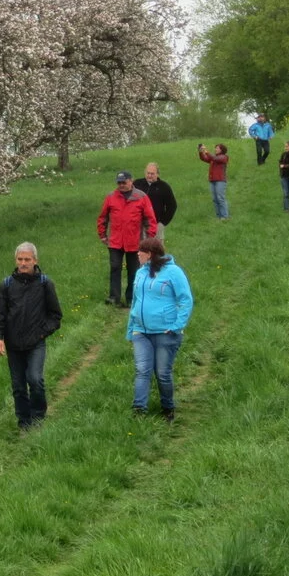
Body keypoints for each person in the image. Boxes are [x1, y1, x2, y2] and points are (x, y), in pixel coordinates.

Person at [0, 241, 62, 430]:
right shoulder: (6, 285)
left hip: (36, 343)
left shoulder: (45, 284)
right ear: (15, 260)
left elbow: (55, 316)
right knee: (18, 386)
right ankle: (24, 422)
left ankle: (38, 418)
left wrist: (41, 333)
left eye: (27, 259)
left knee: (35, 379)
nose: (23, 263)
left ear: (35, 260)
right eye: (20, 259)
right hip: (13, 344)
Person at [127, 235, 193, 421]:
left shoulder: (174, 272)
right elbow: (135, 302)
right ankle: (139, 409)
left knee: (163, 373)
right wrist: (131, 329)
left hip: (166, 332)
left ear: (150, 254)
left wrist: (177, 326)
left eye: (141, 251)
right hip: (141, 331)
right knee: (142, 370)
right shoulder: (140, 272)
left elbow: (186, 300)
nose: (137, 254)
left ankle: (168, 408)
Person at [97, 171, 157, 306]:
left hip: (135, 242)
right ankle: (114, 298)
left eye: (124, 182)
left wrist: (149, 239)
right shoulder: (111, 197)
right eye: (119, 183)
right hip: (115, 241)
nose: (121, 185)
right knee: (115, 268)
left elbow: (150, 220)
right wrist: (102, 235)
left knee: (133, 271)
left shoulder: (141, 197)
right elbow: (103, 217)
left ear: (131, 181)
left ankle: (131, 298)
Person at [132, 162, 177, 238]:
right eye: (148, 173)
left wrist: (162, 223)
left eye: (152, 174)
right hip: (138, 224)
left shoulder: (164, 187)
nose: (149, 176)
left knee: (155, 245)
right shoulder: (137, 184)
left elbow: (172, 206)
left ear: (157, 174)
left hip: (156, 225)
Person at [198, 143, 230, 219]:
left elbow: (215, 159)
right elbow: (204, 159)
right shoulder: (213, 158)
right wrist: (201, 151)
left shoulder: (224, 157)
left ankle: (225, 216)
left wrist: (206, 151)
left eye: (217, 148)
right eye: (215, 148)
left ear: (222, 150)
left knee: (220, 198)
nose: (215, 149)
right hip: (212, 180)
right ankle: (219, 216)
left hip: (220, 181)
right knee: (215, 199)